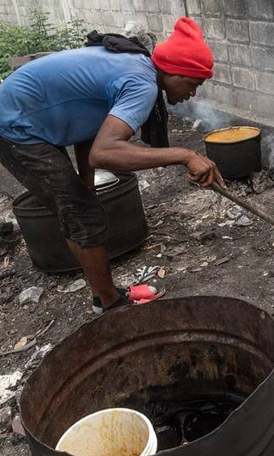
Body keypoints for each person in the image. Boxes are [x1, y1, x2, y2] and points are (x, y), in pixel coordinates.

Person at [0, 17, 223, 313]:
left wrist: (87, 185)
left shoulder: (137, 65)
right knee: (84, 216)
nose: (192, 93)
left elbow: (89, 128)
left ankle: (103, 296)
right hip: (15, 125)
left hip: (28, 113)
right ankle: (110, 305)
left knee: (81, 207)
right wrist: (185, 155)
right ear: (174, 71)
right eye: (193, 84)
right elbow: (103, 152)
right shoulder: (142, 83)